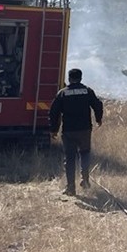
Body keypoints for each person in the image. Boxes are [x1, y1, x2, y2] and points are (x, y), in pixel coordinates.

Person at [48, 68, 103, 196]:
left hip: (69, 131)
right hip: (85, 129)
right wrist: (99, 119)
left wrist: (53, 130)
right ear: (81, 78)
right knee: (85, 153)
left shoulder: (62, 93)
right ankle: (85, 180)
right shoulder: (87, 91)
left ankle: (71, 188)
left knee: (70, 158)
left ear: (69, 78)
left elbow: (54, 112)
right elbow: (98, 104)